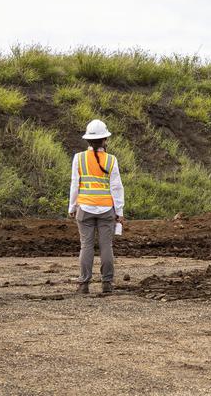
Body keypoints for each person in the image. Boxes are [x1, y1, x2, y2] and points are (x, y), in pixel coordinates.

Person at [68, 119, 125, 294]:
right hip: (107, 209)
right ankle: (107, 283)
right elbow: (116, 187)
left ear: (88, 140)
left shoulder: (79, 158)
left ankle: (83, 284)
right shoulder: (111, 160)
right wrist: (120, 211)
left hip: (84, 208)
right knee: (106, 246)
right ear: (104, 140)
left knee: (86, 246)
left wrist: (72, 207)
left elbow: (75, 184)